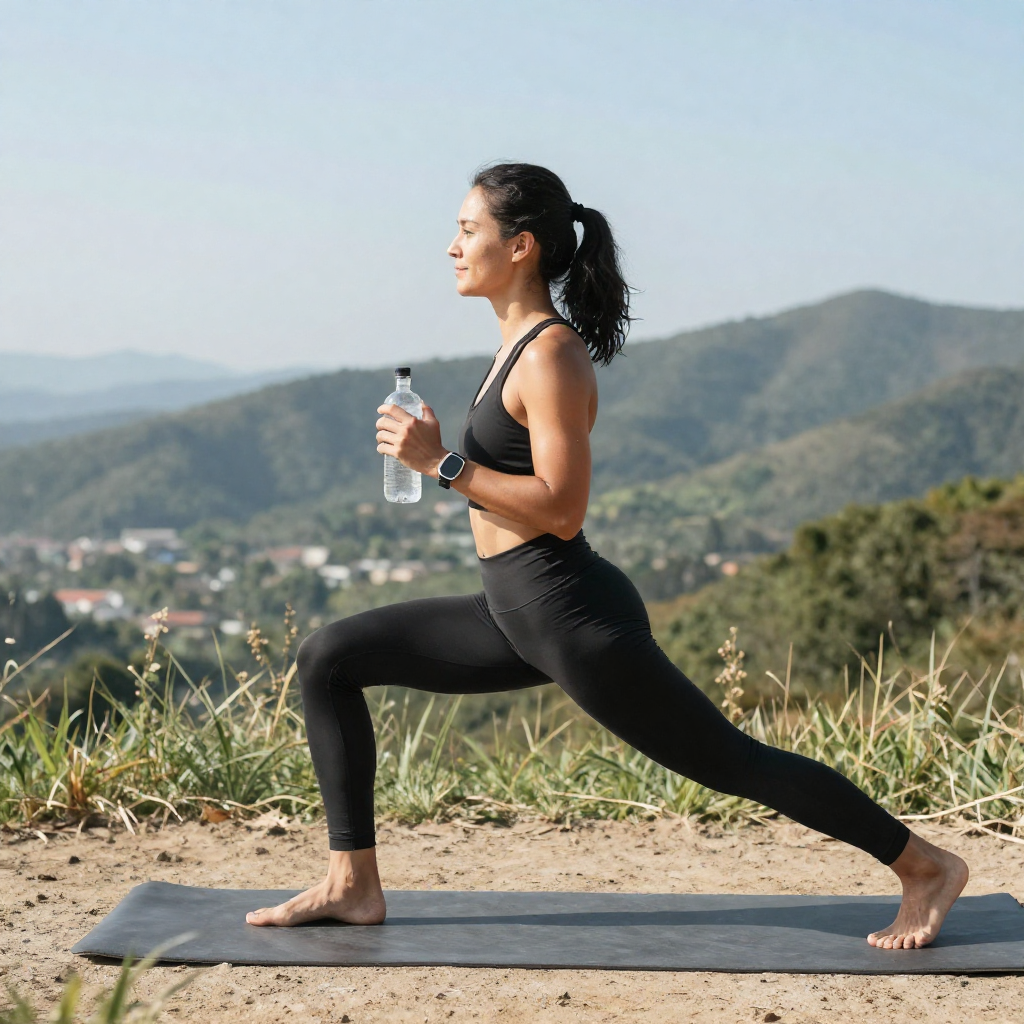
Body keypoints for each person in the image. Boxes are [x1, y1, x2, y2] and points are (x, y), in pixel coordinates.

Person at [246, 162, 968, 949]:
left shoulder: (550, 354)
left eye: (466, 230)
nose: (451, 246)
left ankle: (924, 866)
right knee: (330, 656)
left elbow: (561, 508)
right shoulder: (514, 345)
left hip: (569, 614)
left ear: (519, 246)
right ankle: (353, 884)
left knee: (732, 761)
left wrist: (443, 465)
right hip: (510, 611)